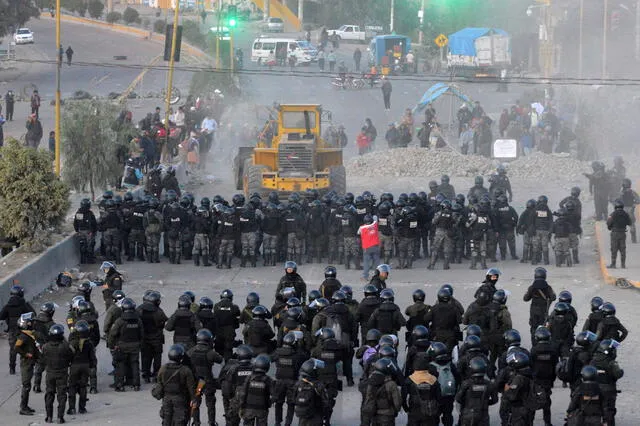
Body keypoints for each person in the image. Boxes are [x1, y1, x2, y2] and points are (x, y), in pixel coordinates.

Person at [187, 329, 223, 426]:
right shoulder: (210, 352)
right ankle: (211, 422)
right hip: (207, 381)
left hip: (197, 382)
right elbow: (220, 360)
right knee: (210, 402)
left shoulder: (191, 351)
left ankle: (196, 422)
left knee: (196, 401)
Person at [108, 298, 143, 391]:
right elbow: (141, 334)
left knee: (120, 365)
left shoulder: (120, 321)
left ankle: (120, 384)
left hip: (122, 345)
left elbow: (113, 334)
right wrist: (140, 344)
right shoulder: (138, 320)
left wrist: (111, 345)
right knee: (135, 364)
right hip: (135, 345)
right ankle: (136, 384)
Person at [156, 344, 197, 426]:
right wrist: (194, 399)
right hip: (180, 398)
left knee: (166, 420)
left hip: (166, 398)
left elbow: (159, 383)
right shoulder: (185, 370)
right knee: (179, 420)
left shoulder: (163, 368)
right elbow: (191, 387)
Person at [41, 324, 73, 423]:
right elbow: (71, 355)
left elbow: (43, 359)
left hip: (50, 373)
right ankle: (60, 417)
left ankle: (49, 416)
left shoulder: (46, 346)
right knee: (62, 395)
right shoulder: (65, 346)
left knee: (49, 394)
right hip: (62, 373)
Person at [0, 285, 36, 376]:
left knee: (13, 349)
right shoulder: (24, 304)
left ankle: (12, 368)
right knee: (26, 347)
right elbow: (33, 314)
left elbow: (1, 316)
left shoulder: (8, 306)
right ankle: (27, 367)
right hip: (23, 331)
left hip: (12, 330)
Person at [455, 356, 498, 425]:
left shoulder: (466, 384)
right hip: (483, 414)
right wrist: (485, 402)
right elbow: (495, 400)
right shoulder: (489, 384)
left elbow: (458, 399)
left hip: (468, 414)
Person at [590, 339, 624, 426]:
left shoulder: (593, 360)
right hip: (609, 389)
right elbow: (618, 374)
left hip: (594, 389)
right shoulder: (611, 362)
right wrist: (621, 370)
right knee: (609, 411)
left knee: (595, 409)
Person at [137, 290, 168, 383]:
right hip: (156, 338)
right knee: (157, 357)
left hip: (144, 337)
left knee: (145, 356)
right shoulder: (158, 311)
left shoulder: (140, 309)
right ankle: (156, 374)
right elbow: (165, 321)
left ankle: (145, 374)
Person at [67, 320, 97, 415]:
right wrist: (92, 366)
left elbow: (68, 355)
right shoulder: (89, 343)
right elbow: (92, 357)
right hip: (85, 366)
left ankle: (72, 408)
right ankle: (82, 408)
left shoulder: (72, 342)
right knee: (83, 387)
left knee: (72, 386)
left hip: (74, 366)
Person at [361, 358, 403, 425]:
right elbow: (397, 403)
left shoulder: (371, 382)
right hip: (387, 417)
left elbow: (367, 398)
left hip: (374, 415)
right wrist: (395, 410)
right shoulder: (391, 384)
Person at [292, 358, 332, 425]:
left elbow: (293, 399)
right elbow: (326, 404)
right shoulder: (319, 385)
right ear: (312, 372)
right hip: (316, 418)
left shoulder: (298, 384)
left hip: (302, 418)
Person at [14, 313, 39, 415]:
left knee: (28, 384)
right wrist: (26, 354)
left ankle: (25, 405)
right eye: (30, 322)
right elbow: (16, 348)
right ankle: (23, 408)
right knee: (26, 385)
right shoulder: (23, 336)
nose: (32, 323)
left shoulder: (30, 334)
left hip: (30, 362)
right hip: (26, 363)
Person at [607, 198, 631, 268]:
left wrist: (610, 227)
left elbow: (608, 223)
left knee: (614, 249)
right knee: (622, 249)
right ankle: (623, 264)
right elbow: (629, 222)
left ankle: (613, 264)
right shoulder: (625, 214)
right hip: (623, 233)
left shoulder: (613, 214)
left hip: (615, 233)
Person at [358, 214, 380, 280]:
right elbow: (375, 216)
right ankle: (377, 276)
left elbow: (358, 233)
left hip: (367, 248)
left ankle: (365, 277)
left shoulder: (361, 228)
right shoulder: (375, 225)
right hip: (375, 246)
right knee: (376, 262)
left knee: (366, 263)